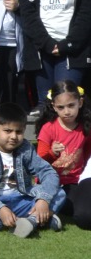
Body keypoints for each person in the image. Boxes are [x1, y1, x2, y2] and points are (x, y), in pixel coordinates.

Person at [0, 102, 64, 236]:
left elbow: (48, 173)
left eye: (19, 131)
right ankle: (39, 219)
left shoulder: (26, 148)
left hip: (20, 198)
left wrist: (43, 199)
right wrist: (0, 209)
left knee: (59, 194)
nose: (14, 137)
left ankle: (31, 221)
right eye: (8, 131)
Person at [35, 80, 91, 214]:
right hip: (49, 181)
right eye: (61, 107)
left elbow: (88, 156)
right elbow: (38, 163)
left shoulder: (86, 128)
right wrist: (52, 152)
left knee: (75, 205)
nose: (67, 112)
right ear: (54, 107)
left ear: (80, 103)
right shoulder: (48, 128)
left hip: (73, 182)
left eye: (71, 105)